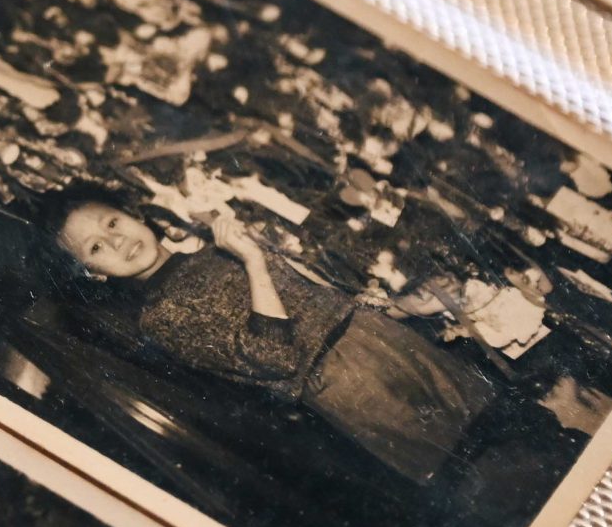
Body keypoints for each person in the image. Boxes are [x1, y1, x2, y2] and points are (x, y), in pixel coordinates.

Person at [41, 188, 504, 485]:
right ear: (93, 274)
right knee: (482, 470)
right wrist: (253, 261)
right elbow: (272, 356)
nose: (117, 241)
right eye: (97, 248)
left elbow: (310, 292)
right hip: (346, 380)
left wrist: (393, 309)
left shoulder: (202, 253)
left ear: (132, 212)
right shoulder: (160, 317)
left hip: (372, 335)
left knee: (498, 419)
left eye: (112, 223)